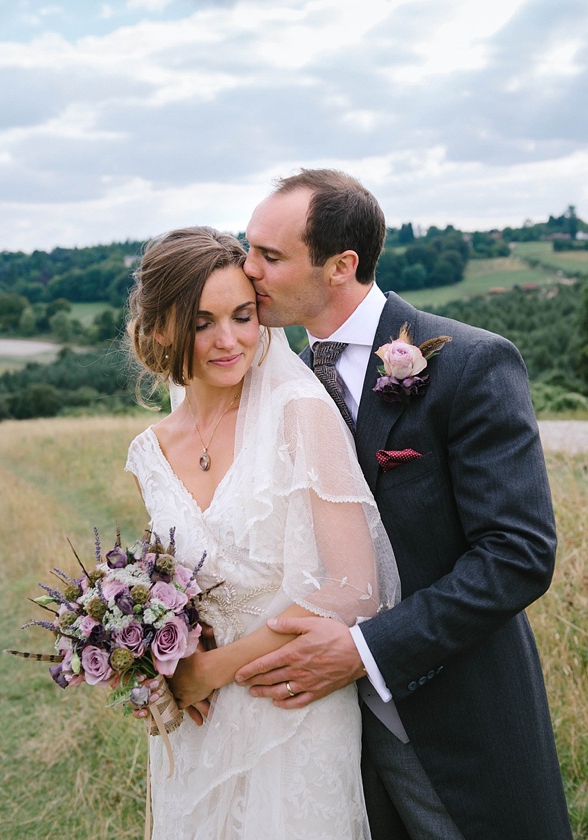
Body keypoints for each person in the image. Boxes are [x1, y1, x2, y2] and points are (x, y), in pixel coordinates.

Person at [230, 169, 574, 840]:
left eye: (269, 256)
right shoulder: (272, 386)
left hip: (454, 716)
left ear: (341, 265)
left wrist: (365, 650)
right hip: (321, 739)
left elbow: (519, 555)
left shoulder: (469, 364)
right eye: (249, 249)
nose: (248, 271)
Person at [124, 226, 400, 839]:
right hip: (198, 716)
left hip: (292, 701)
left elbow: (355, 587)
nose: (229, 341)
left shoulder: (297, 412)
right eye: (202, 323)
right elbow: (170, 589)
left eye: (243, 316)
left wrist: (215, 669)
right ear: (162, 329)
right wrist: (157, 659)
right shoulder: (149, 452)